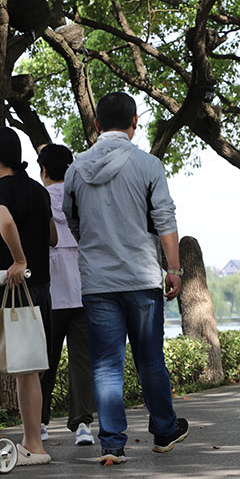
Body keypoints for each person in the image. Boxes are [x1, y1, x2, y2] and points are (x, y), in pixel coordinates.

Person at [63, 92, 187, 465]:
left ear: (97, 123)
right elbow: (164, 219)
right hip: (141, 278)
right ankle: (163, 430)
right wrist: (174, 269)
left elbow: (72, 220)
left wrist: (96, 247)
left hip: (98, 282)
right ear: (135, 122)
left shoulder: (75, 170)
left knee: (105, 364)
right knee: (149, 358)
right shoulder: (148, 165)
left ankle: (113, 444)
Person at [0, 127, 57, 465]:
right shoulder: (38, 190)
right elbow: (52, 236)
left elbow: (4, 220)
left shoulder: (1, 189)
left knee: (25, 369)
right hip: (39, 290)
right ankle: (33, 444)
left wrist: (18, 259)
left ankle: (34, 446)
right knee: (29, 370)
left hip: (11, 290)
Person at [37, 144, 95, 446]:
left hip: (49, 292)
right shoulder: (82, 198)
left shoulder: (38, 198)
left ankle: (39, 422)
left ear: (44, 170)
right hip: (83, 291)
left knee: (44, 360)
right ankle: (83, 424)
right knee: (81, 362)